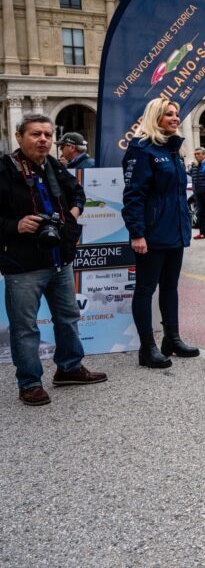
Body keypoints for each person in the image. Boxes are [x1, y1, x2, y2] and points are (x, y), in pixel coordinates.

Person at [0, 113, 106, 405]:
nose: (43, 139)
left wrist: (71, 216)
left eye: (48, 134)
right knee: (25, 327)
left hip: (59, 259)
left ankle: (69, 368)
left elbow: (79, 194)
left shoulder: (55, 167)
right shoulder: (5, 169)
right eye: (36, 134)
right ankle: (30, 382)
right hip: (23, 265)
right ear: (19, 137)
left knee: (68, 317)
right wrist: (16, 225)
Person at [122, 97, 199, 369]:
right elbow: (134, 196)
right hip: (152, 234)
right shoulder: (141, 150)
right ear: (156, 118)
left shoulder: (172, 150)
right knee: (145, 289)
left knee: (170, 287)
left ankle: (172, 339)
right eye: (169, 114)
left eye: (176, 114)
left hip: (174, 230)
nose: (175, 118)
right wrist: (137, 233)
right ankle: (147, 348)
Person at [188, 147, 205, 240]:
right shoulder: (194, 165)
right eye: (195, 154)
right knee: (200, 212)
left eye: (198, 153)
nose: (196, 155)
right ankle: (203, 233)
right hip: (197, 192)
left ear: (204, 154)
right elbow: (191, 175)